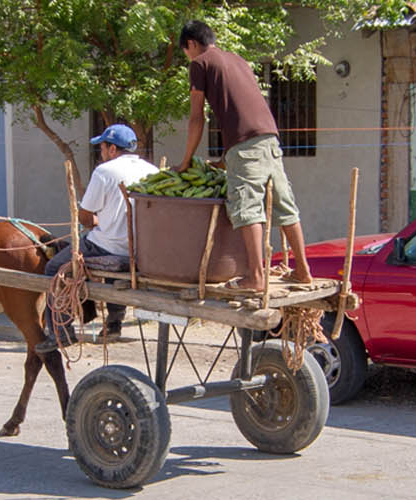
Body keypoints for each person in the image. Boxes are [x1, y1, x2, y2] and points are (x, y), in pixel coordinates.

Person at [177, 20, 312, 290]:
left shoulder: (200, 64)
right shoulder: (237, 60)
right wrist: (226, 159)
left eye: (186, 51)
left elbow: (196, 119)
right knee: (285, 205)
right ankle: (304, 271)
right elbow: (241, 109)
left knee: (247, 208)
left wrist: (185, 160)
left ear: (192, 43)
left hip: (246, 145)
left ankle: (256, 277)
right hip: (269, 138)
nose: (188, 57)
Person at [36, 124, 159, 353]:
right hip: (139, 249)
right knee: (115, 265)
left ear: (112, 148)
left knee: (54, 267)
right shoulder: (152, 171)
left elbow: (85, 216)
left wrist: (95, 223)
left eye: (102, 147)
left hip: (106, 246)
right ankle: (114, 323)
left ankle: (61, 332)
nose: (101, 152)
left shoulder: (105, 171)